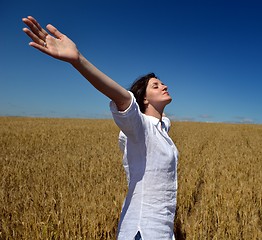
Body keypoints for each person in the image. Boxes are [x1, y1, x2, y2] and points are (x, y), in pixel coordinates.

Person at [22, 16, 178, 240]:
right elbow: (123, 98)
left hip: (163, 232)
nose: (164, 85)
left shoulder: (162, 130)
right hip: (142, 231)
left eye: (162, 83)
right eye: (156, 85)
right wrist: (78, 60)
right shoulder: (139, 126)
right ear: (143, 100)